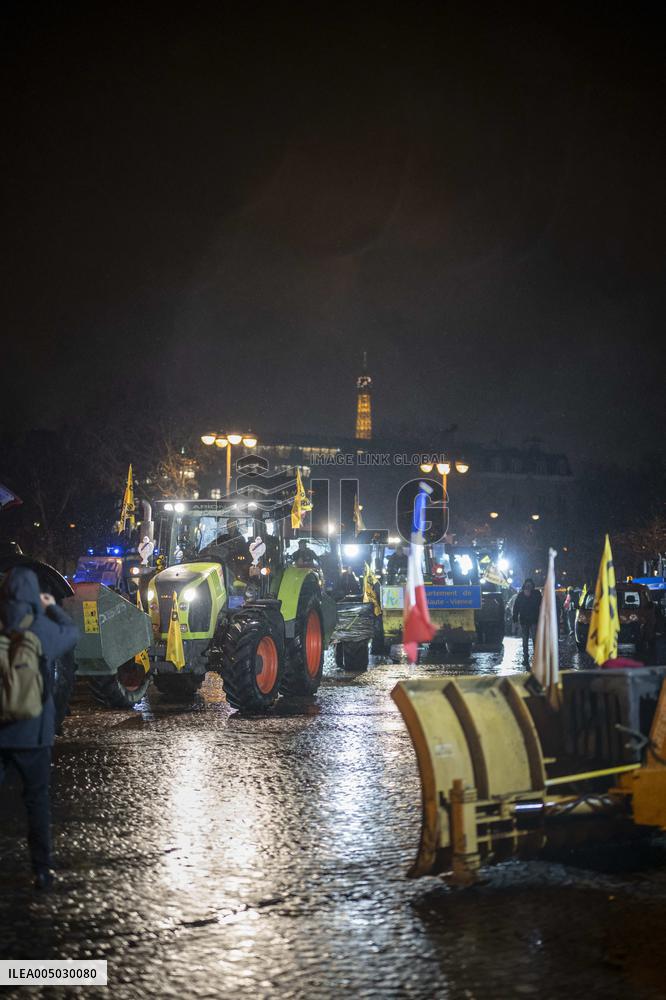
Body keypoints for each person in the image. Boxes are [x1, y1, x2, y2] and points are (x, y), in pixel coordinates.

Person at [0, 567, 78, 890]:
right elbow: (73, 633)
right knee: (37, 801)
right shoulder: (42, 628)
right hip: (35, 733)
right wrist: (51, 607)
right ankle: (41, 871)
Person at [512, 578, 542, 666]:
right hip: (524, 620)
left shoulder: (536, 594)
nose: (528, 586)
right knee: (525, 641)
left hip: (534, 620)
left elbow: (542, 604)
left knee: (535, 640)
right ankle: (526, 658)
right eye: (527, 585)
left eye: (530, 585)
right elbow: (516, 607)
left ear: (532, 585)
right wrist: (515, 617)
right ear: (525, 585)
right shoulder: (521, 595)